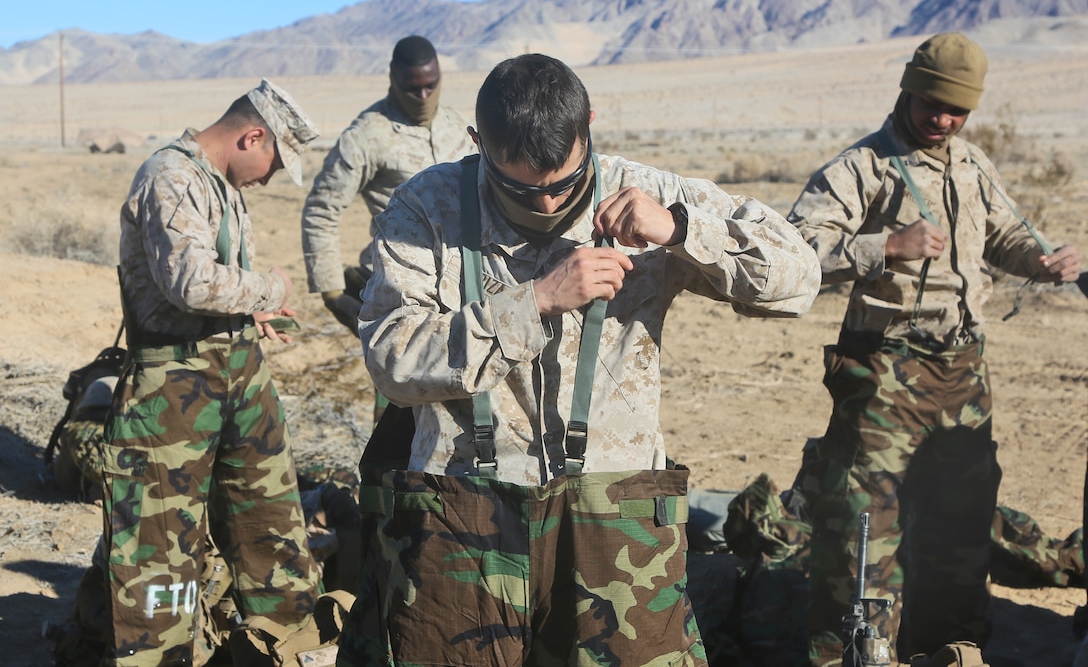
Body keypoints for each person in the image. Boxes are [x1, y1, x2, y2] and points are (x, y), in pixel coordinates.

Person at [336, 53, 822, 666]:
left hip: (616, 511)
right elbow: (391, 360)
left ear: (588, 126)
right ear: (477, 142)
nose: (544, 205)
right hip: (464, 506)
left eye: (563, 183)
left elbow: (799, 278)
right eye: (518, 187)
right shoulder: (425, 210)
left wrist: (679, 229)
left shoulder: (647, 193)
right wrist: (534, 303)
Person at [787, 32, 1082, 665]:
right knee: (868, 521)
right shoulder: (861, 167)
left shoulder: (972, 164)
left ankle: (952, 645)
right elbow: (796, 250)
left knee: (961, 517)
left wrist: (1043, 260)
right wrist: (884, 247)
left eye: (957, 111)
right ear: (907, 89)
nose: (942, 120)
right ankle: (856, 651)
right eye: (931, 105)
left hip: (964, 372)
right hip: (887, 368)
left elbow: (1002, 239)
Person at [97, 79, 322, 665]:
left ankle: (289, 648)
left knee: (271, 527)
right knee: (159, 553)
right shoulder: (169, 176)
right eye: (274, 162)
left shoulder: (218, 184)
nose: (272, 179)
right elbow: (191, 282)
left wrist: (252, 310)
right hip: (170, 390)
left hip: (237, 374)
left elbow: (215, 285)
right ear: (252, 135)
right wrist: (269, 285)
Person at [300, 35, 476, 332]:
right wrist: (330, 291)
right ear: (393, 78)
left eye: (430, 85)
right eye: (412, 87)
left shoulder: (458, 127)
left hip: (465, 287)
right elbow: (322, 209)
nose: (422, 95)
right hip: (400, 289)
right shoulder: (367, 135)